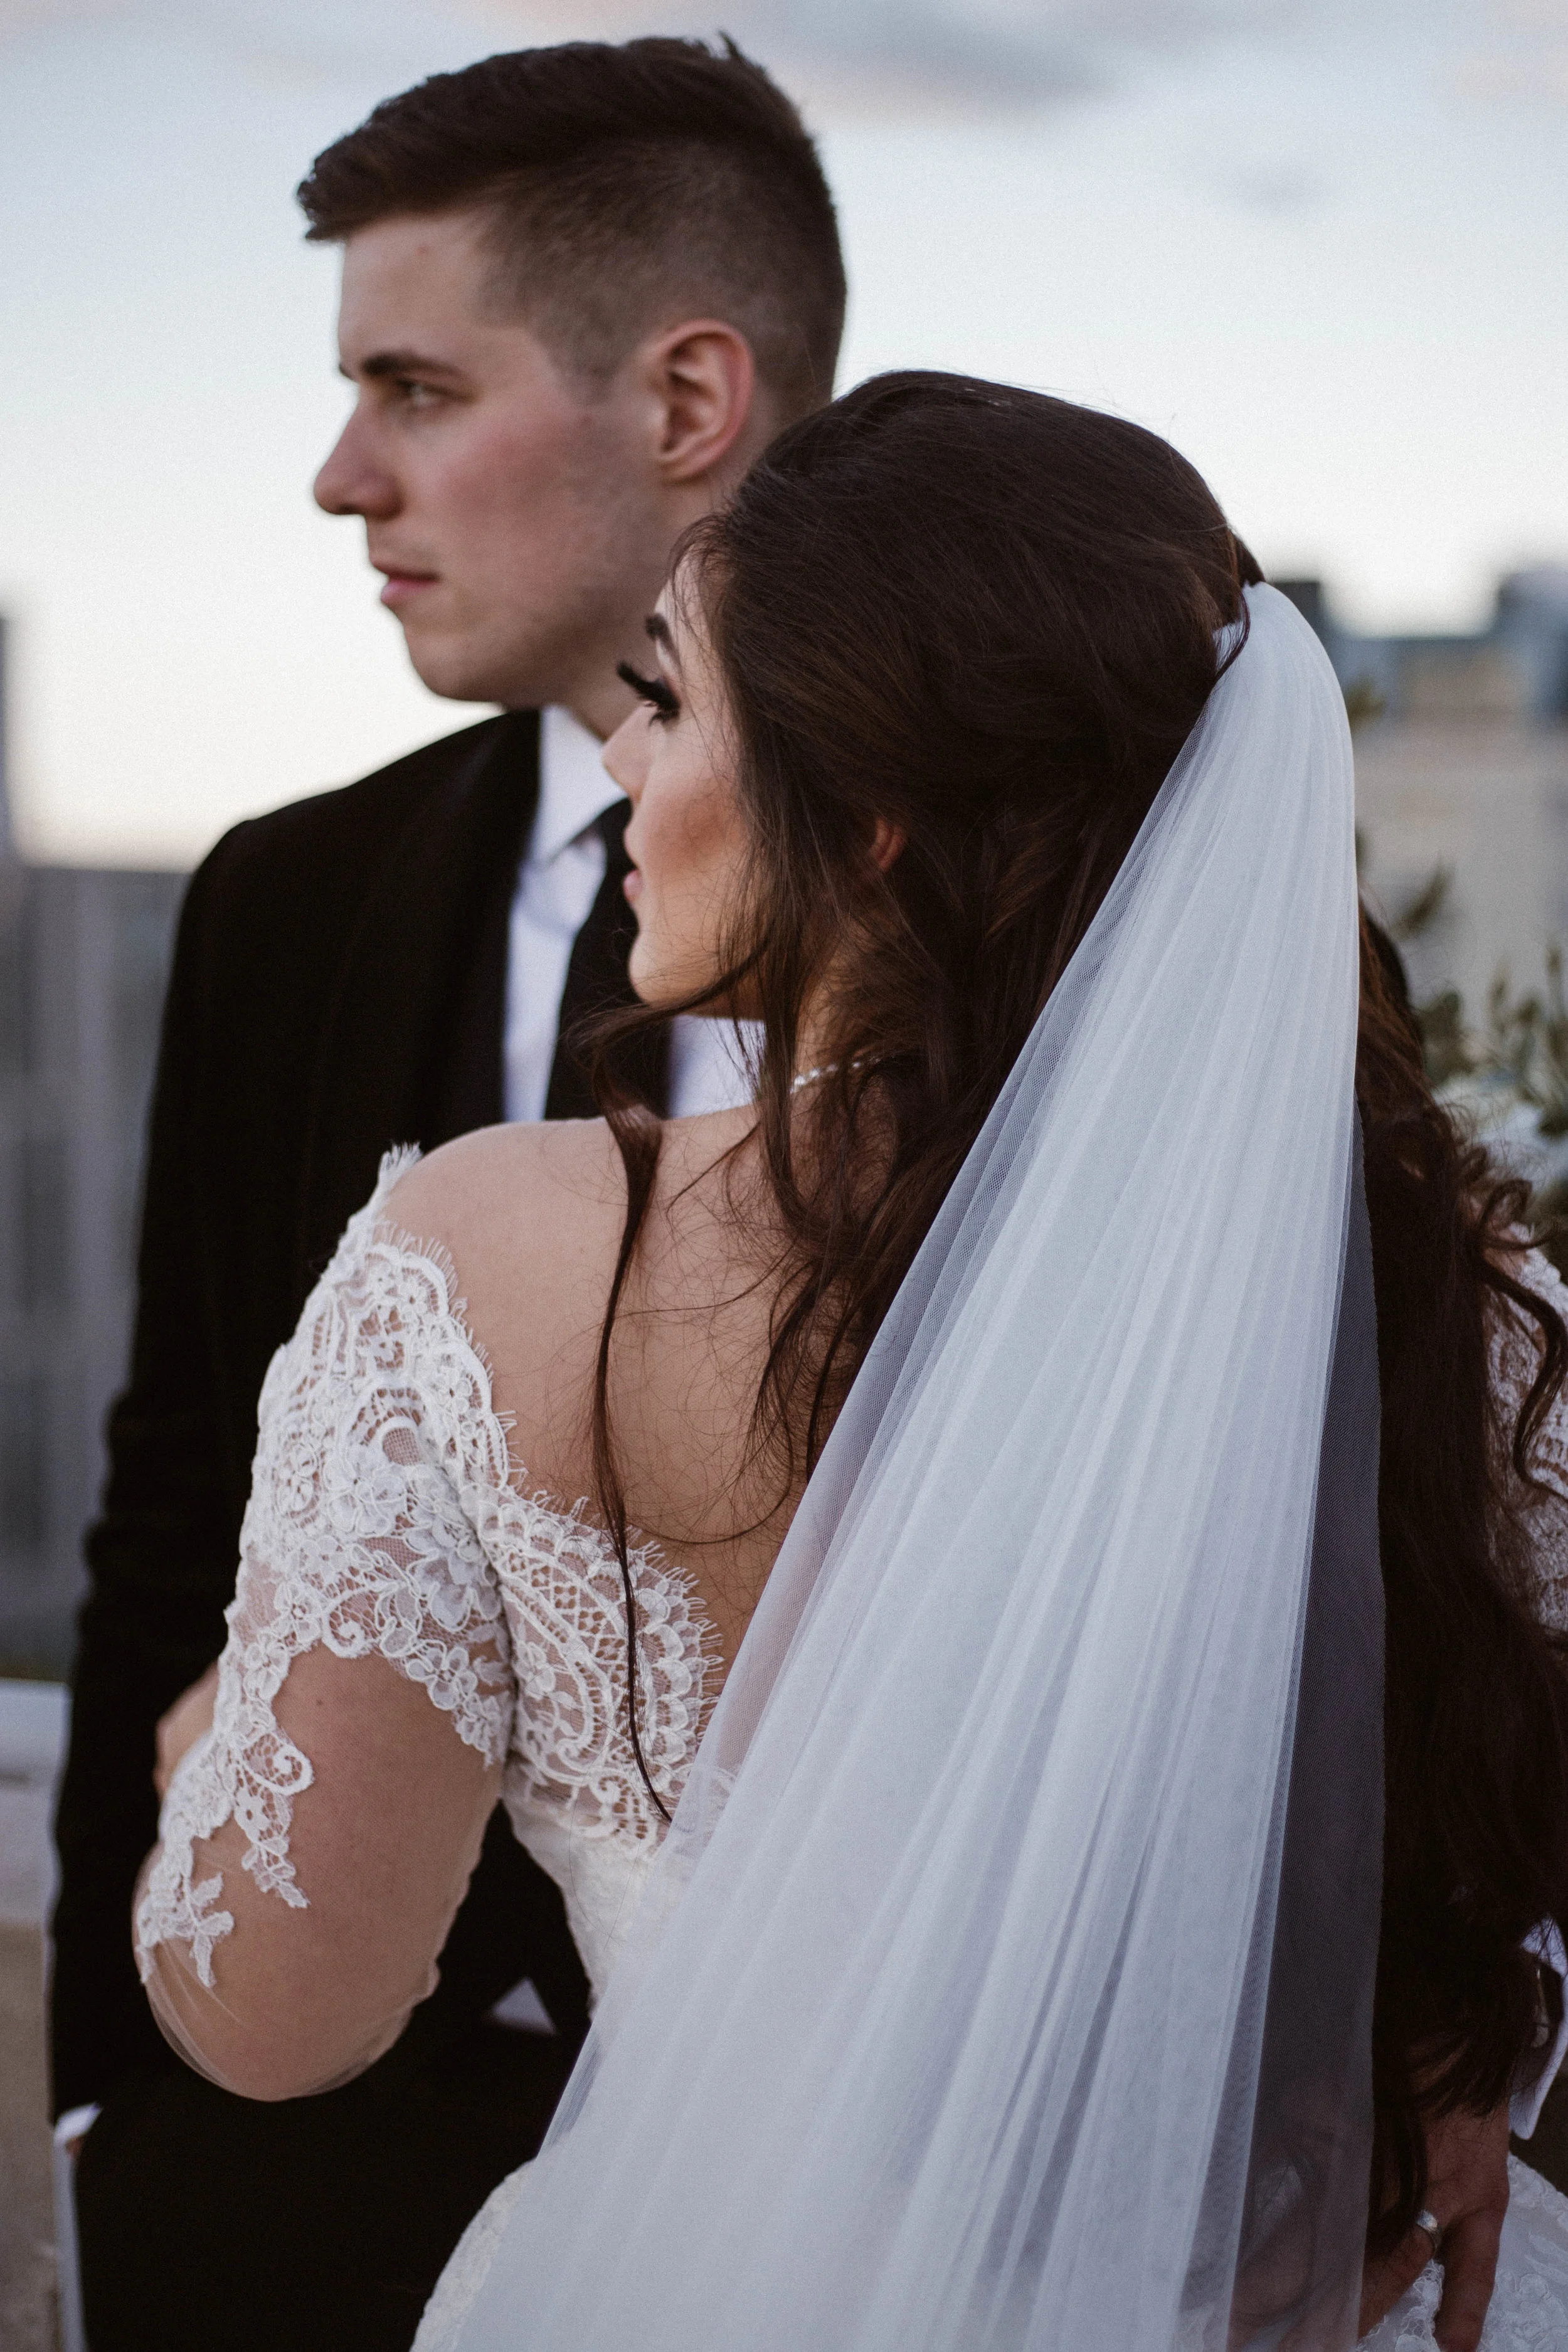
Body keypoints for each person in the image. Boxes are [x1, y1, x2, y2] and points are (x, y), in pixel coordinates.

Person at [137, 376, 1568, 2352]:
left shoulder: (494, 1262)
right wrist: (1463, 2038)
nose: (620, 763)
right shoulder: (1440, 1291)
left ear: (869, 820)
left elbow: (272, 2015)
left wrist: (210, 1750)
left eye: (666, 696)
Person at [50, 38, 845, 2352]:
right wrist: (115, 2110)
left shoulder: (1105, 939)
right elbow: (172, 1505)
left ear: (686, 398)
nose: (340, 474)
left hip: (900, 2157)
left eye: (414, 386)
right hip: (322, 2147)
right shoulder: (284, 903)